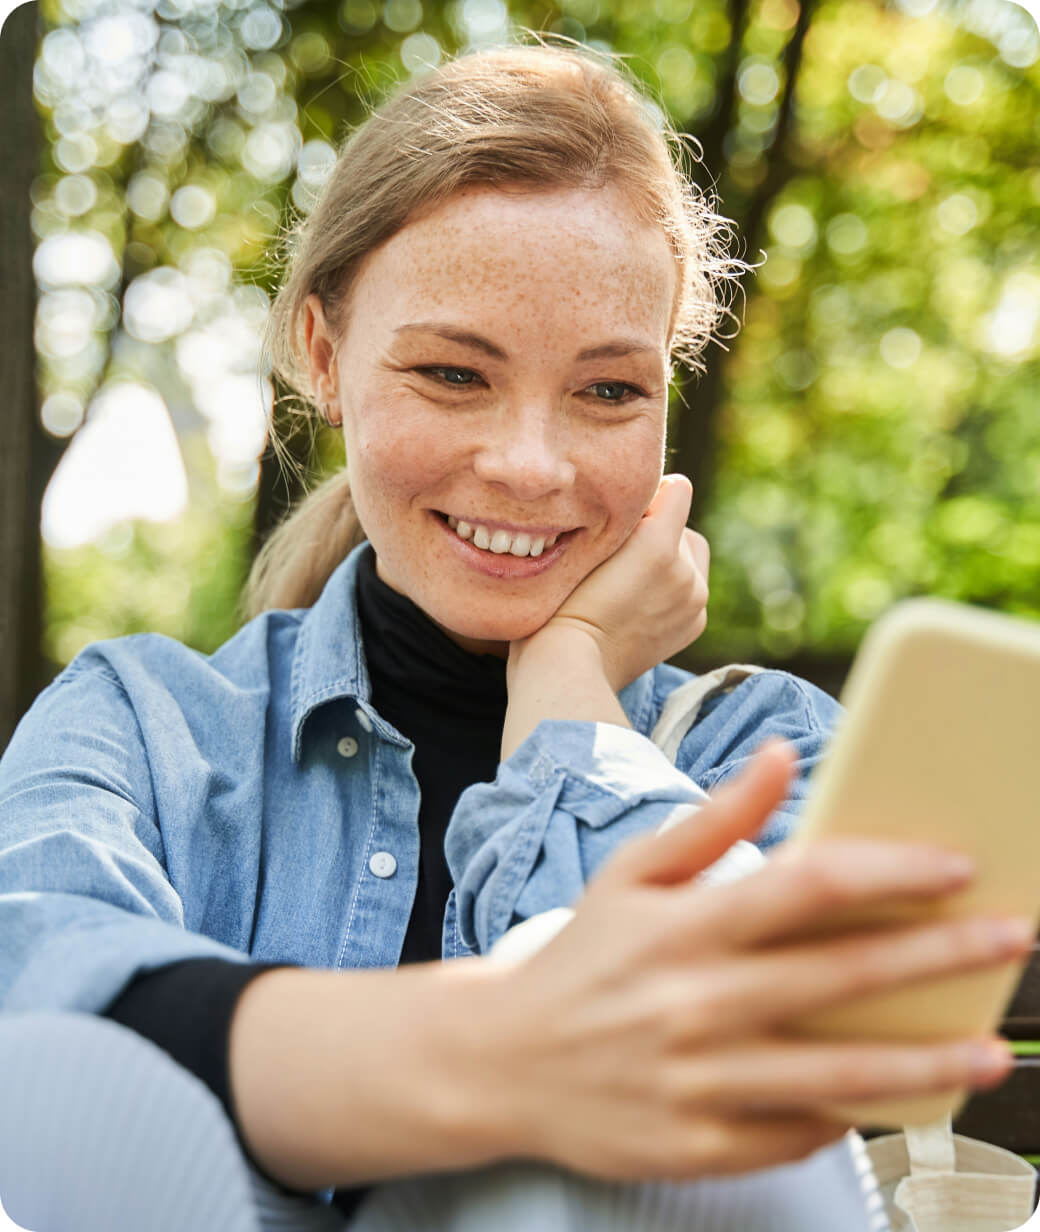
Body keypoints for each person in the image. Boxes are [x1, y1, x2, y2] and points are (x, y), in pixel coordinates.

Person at [0, 40, 1030, 1232]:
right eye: (451, 371)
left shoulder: (775, 751)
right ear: (326, 359)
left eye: (606, 392)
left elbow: (730, 1149)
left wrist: (569, 693)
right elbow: (34, 1029)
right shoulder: (145, 724)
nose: (531, 465)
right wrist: (508, 1049)